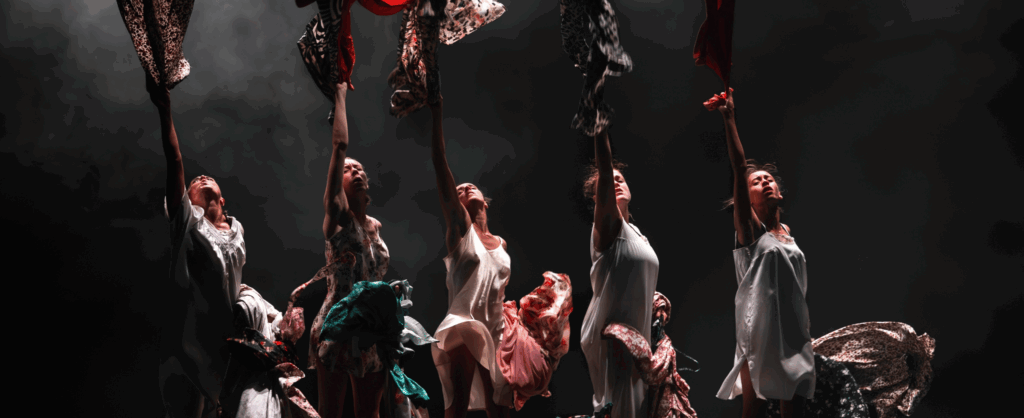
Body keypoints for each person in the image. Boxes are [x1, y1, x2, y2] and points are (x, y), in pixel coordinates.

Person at [288, 82, 391, 418]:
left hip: (373, 327)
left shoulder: (376, 227)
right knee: (331, 412)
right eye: (347, 169)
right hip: (339, 323)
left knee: (370, 414)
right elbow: (340, 145)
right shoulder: (338, 219)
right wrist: (341, 95)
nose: (354, 171)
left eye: (359, 169)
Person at [711, 89, 815, 418]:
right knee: (753, 410)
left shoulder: (788, 234)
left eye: (769, 179)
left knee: (795, 411)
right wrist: (729, 118)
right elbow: (739, 166)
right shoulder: (751, 233)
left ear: (780, 192)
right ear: (746, 196)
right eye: (756, 182)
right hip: (760, 333)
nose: (765, 182)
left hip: (795, 334)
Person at [149, 77, 246, 418]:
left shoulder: (238, 231)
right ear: (186, 198)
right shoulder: (187, 222)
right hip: (185, 351)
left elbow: (233, 280)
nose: (201, 177)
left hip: (225, 351)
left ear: (223, 199)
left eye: (208, 178)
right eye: (194, 181)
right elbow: (174, 160)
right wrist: (165, 111)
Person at [427, 97, 513, 418]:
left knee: (500, 411)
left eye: (470, 186)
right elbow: (440, 166)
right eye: (460, 190)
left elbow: (496, 287)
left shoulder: (502, 244)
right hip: (465, 324)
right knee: (458, 410)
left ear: (485, 202)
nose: (464, 188)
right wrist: (436, 113)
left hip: (497, 330)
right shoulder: (460, 231)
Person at [579, 128, 660, 418]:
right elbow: (604, 167)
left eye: (620, 178)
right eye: (608, 180)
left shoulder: (638, 235)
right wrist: (599, 128)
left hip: (640, 341)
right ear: (598, 197)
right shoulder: (608, 225)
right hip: (613, 337)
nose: (615, 181)